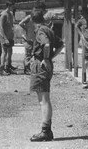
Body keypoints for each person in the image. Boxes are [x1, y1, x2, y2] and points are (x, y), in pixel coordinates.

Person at [29, 8, 64, 142]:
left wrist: (45, 58)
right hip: (46, 65)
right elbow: (60, 45)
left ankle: (45, 132)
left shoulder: (40, 30)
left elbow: (47, 44)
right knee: (45, 98)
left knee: (43, 100)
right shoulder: (49, 29)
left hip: (40, 66)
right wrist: (50, 58)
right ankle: (46, 130)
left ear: (32, 20)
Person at [0, 1, 16, 75]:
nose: (13, 8)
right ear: (8, 6)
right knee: (4, 52)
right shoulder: (3, 15)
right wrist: (4, 38)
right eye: (12, 6)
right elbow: (1, 27)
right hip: (4, 36)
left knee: (10, 51)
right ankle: (2, 69)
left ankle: (8, 67)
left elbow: (11, 25)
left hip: (10, 36)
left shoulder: (11, 14)